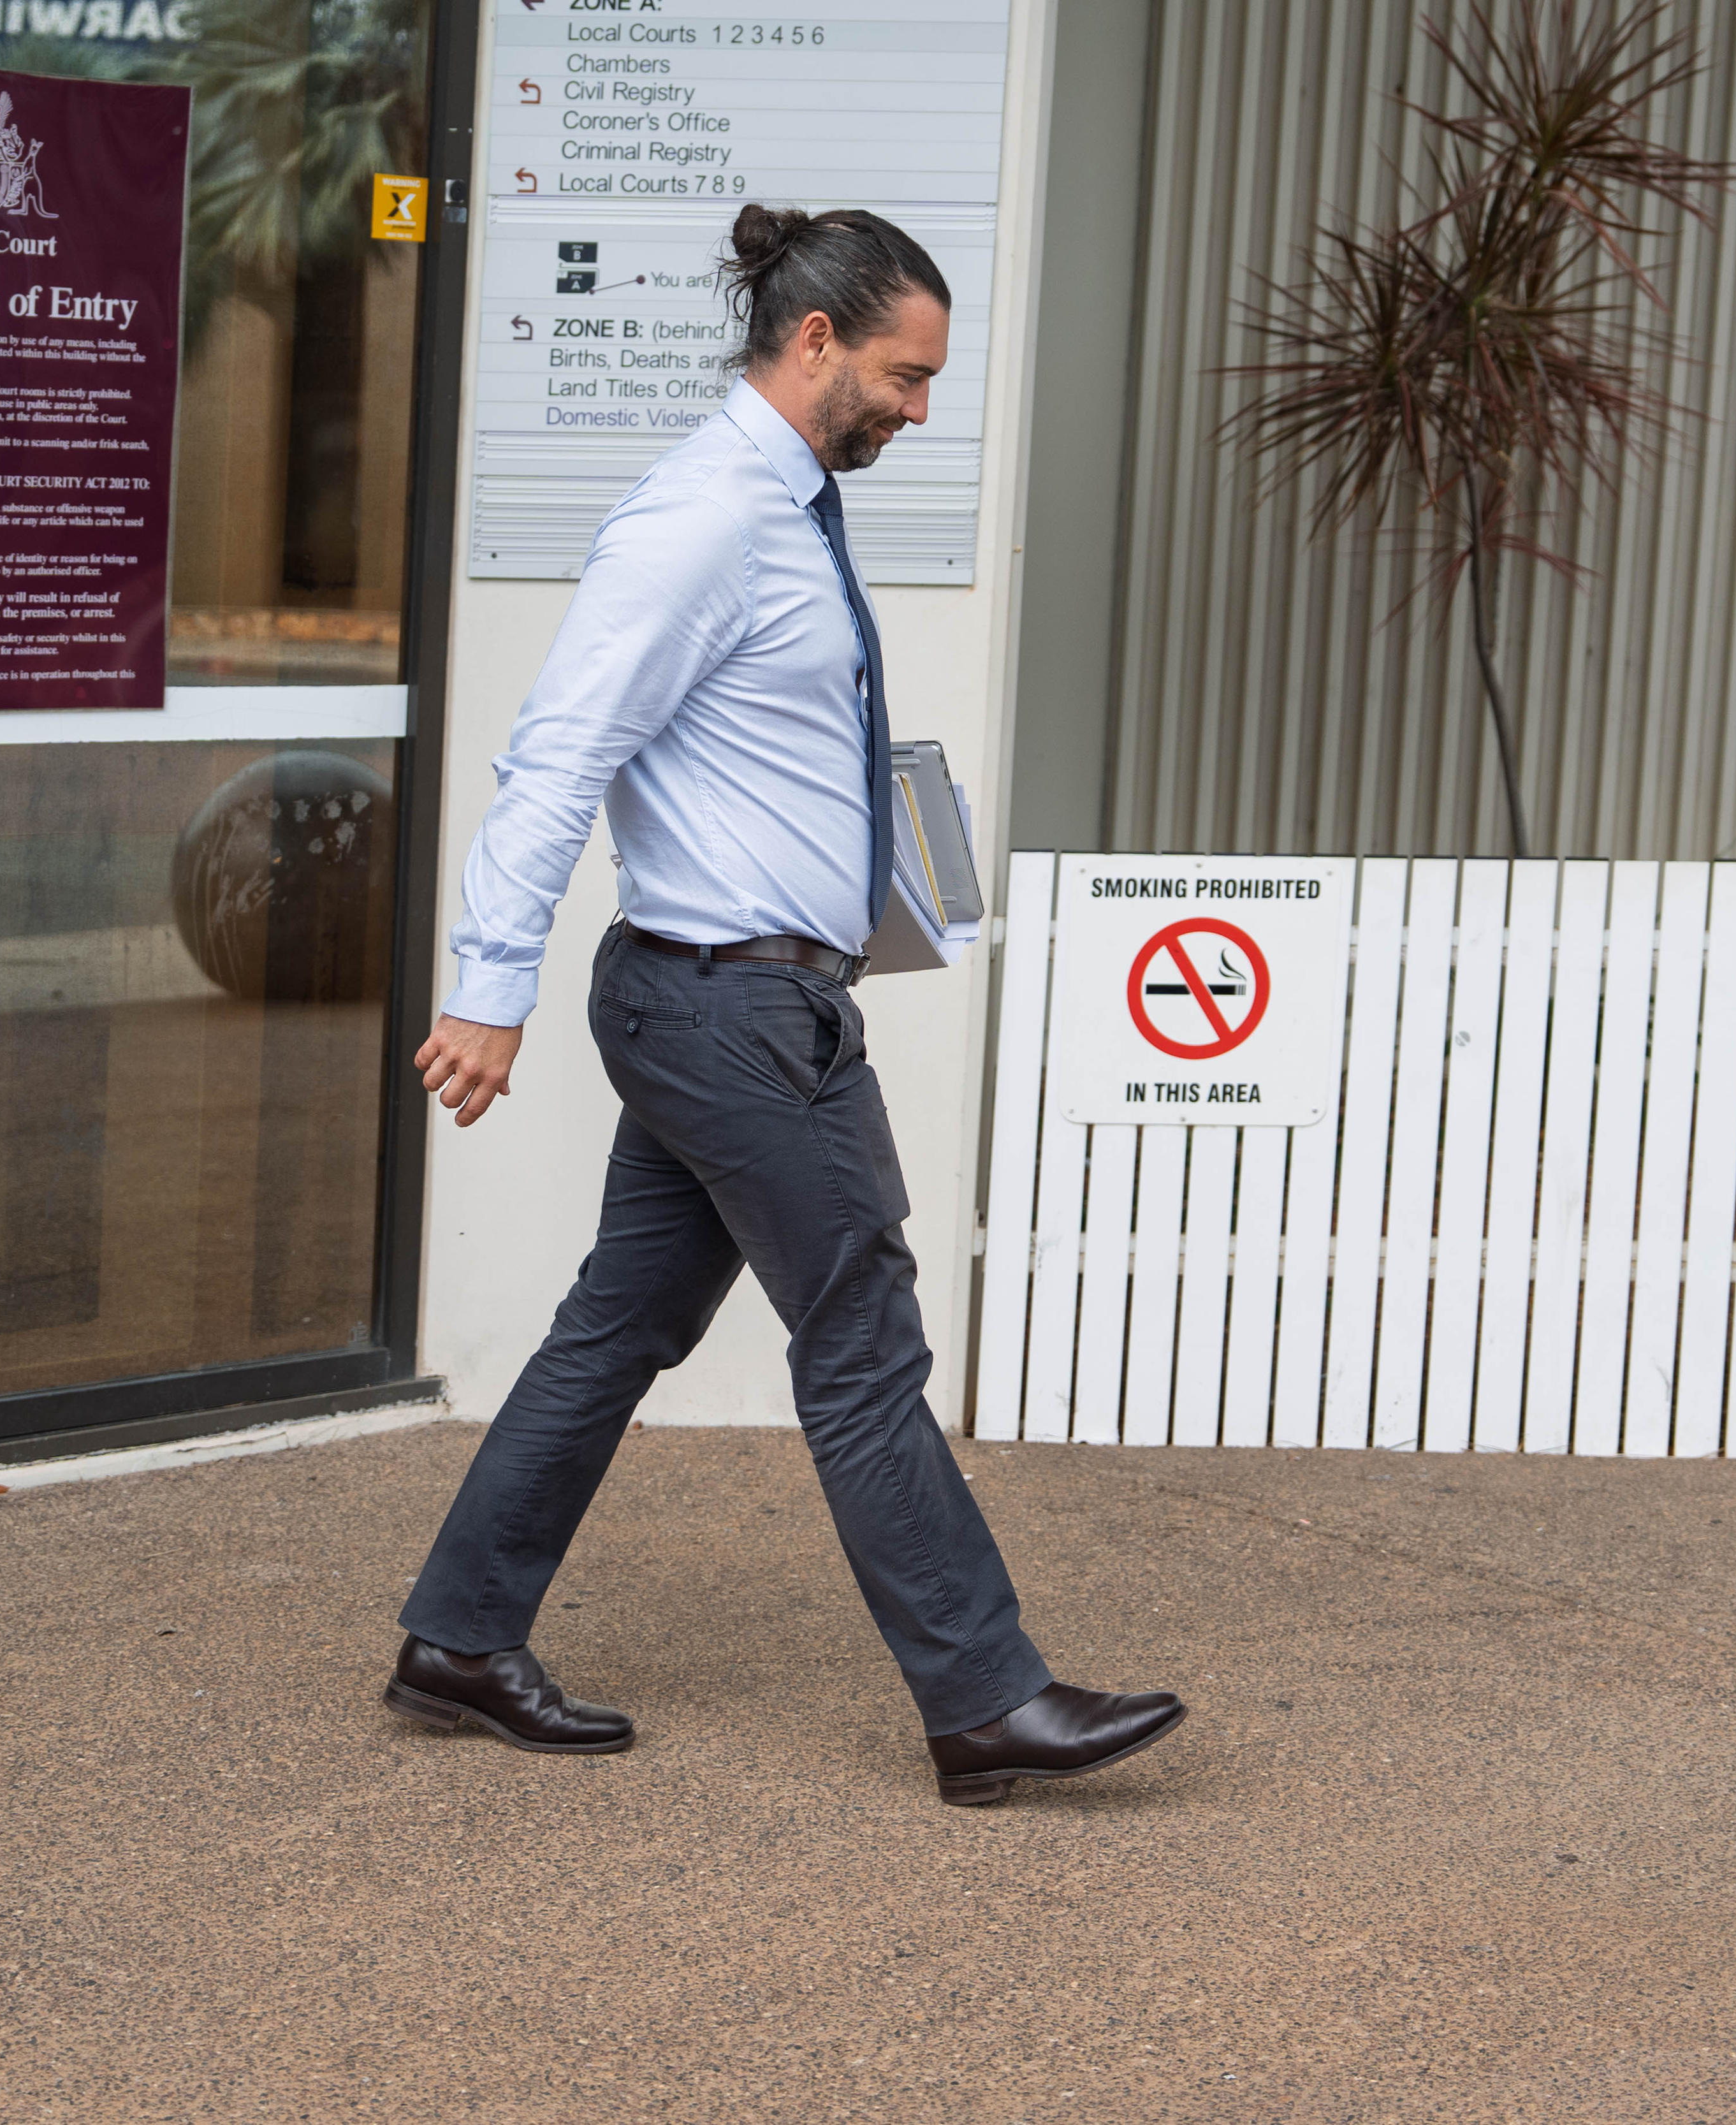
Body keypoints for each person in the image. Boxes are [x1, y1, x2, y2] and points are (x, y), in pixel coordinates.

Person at [389, 207, 1185, 1807]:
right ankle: (985, 1700)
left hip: (738, 999)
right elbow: (558, 756)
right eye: (902, 374)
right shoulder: (699, 521)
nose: (917, 407)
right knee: (861, 1336)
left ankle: (461, 1637)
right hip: (731, 1020)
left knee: (623, 1319)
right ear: (813, 339)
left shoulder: (792, 507)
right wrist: (486, 991)